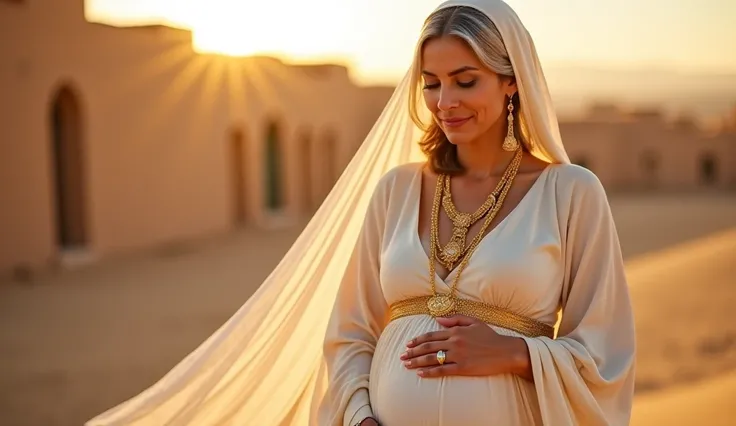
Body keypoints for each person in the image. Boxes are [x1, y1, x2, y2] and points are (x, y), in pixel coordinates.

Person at [86, 1, 635, 425]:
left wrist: (514, 353)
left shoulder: (571, 193)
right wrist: (357, 415)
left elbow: (606, 355)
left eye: (466, 80)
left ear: (512, 81)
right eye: (432, 84)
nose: (446, 102)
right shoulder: (396, 191)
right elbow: (349, 334)